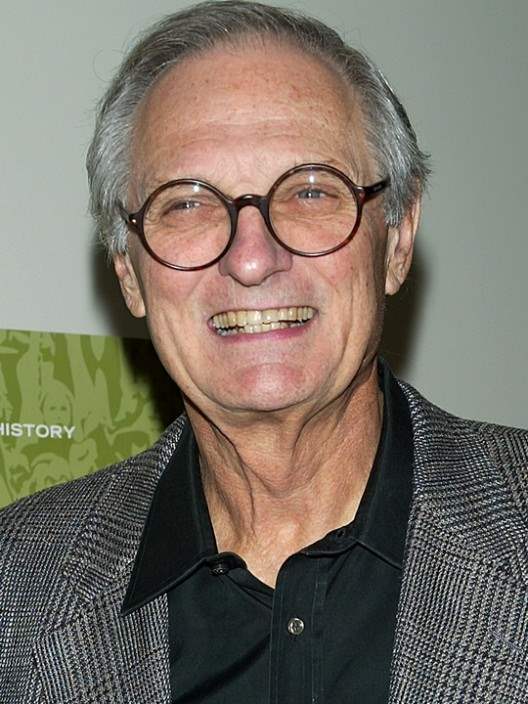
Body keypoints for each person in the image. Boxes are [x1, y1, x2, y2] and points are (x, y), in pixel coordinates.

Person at [1, 2, 527, 702]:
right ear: (128, 270)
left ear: (398, 238)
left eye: (310, 191)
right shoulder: (16, 587)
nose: (251, 259)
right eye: (187, 203)